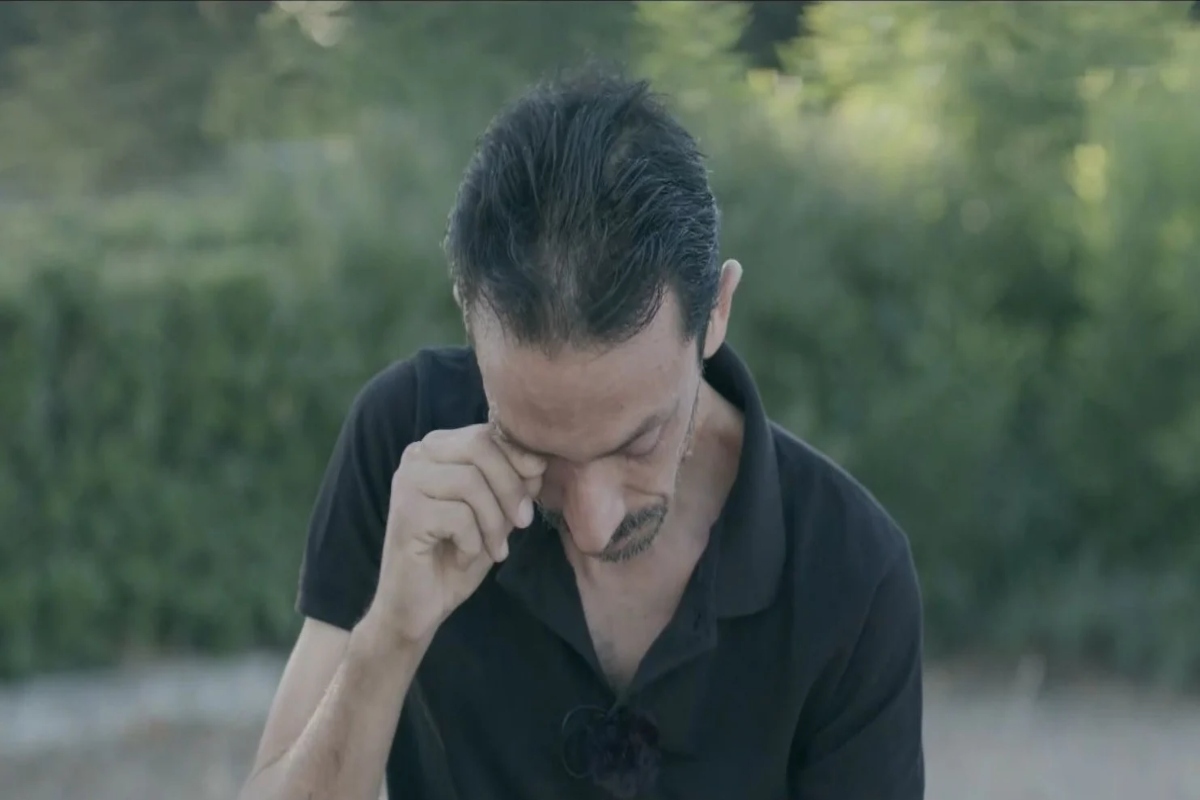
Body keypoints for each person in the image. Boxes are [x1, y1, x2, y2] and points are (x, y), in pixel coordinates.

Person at [238, 65, 925, 800]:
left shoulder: (852, 574)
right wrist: (390, 635)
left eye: (638, 444)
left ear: (717, 311)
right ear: (474, 332)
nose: (593, 525)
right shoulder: (404, 443)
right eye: (533, 447)